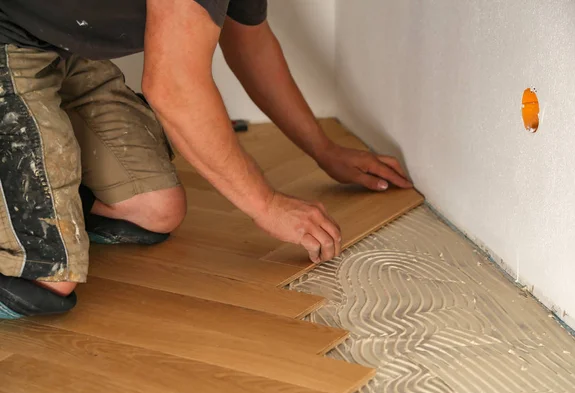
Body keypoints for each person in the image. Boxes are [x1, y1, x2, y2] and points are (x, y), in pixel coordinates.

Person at [0, 0, 412, 319]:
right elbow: (173, 89)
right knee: (45, 278)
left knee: (153, 210)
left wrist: (324, 149)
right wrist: (266, 205)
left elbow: (248, 39)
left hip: (63, 47)